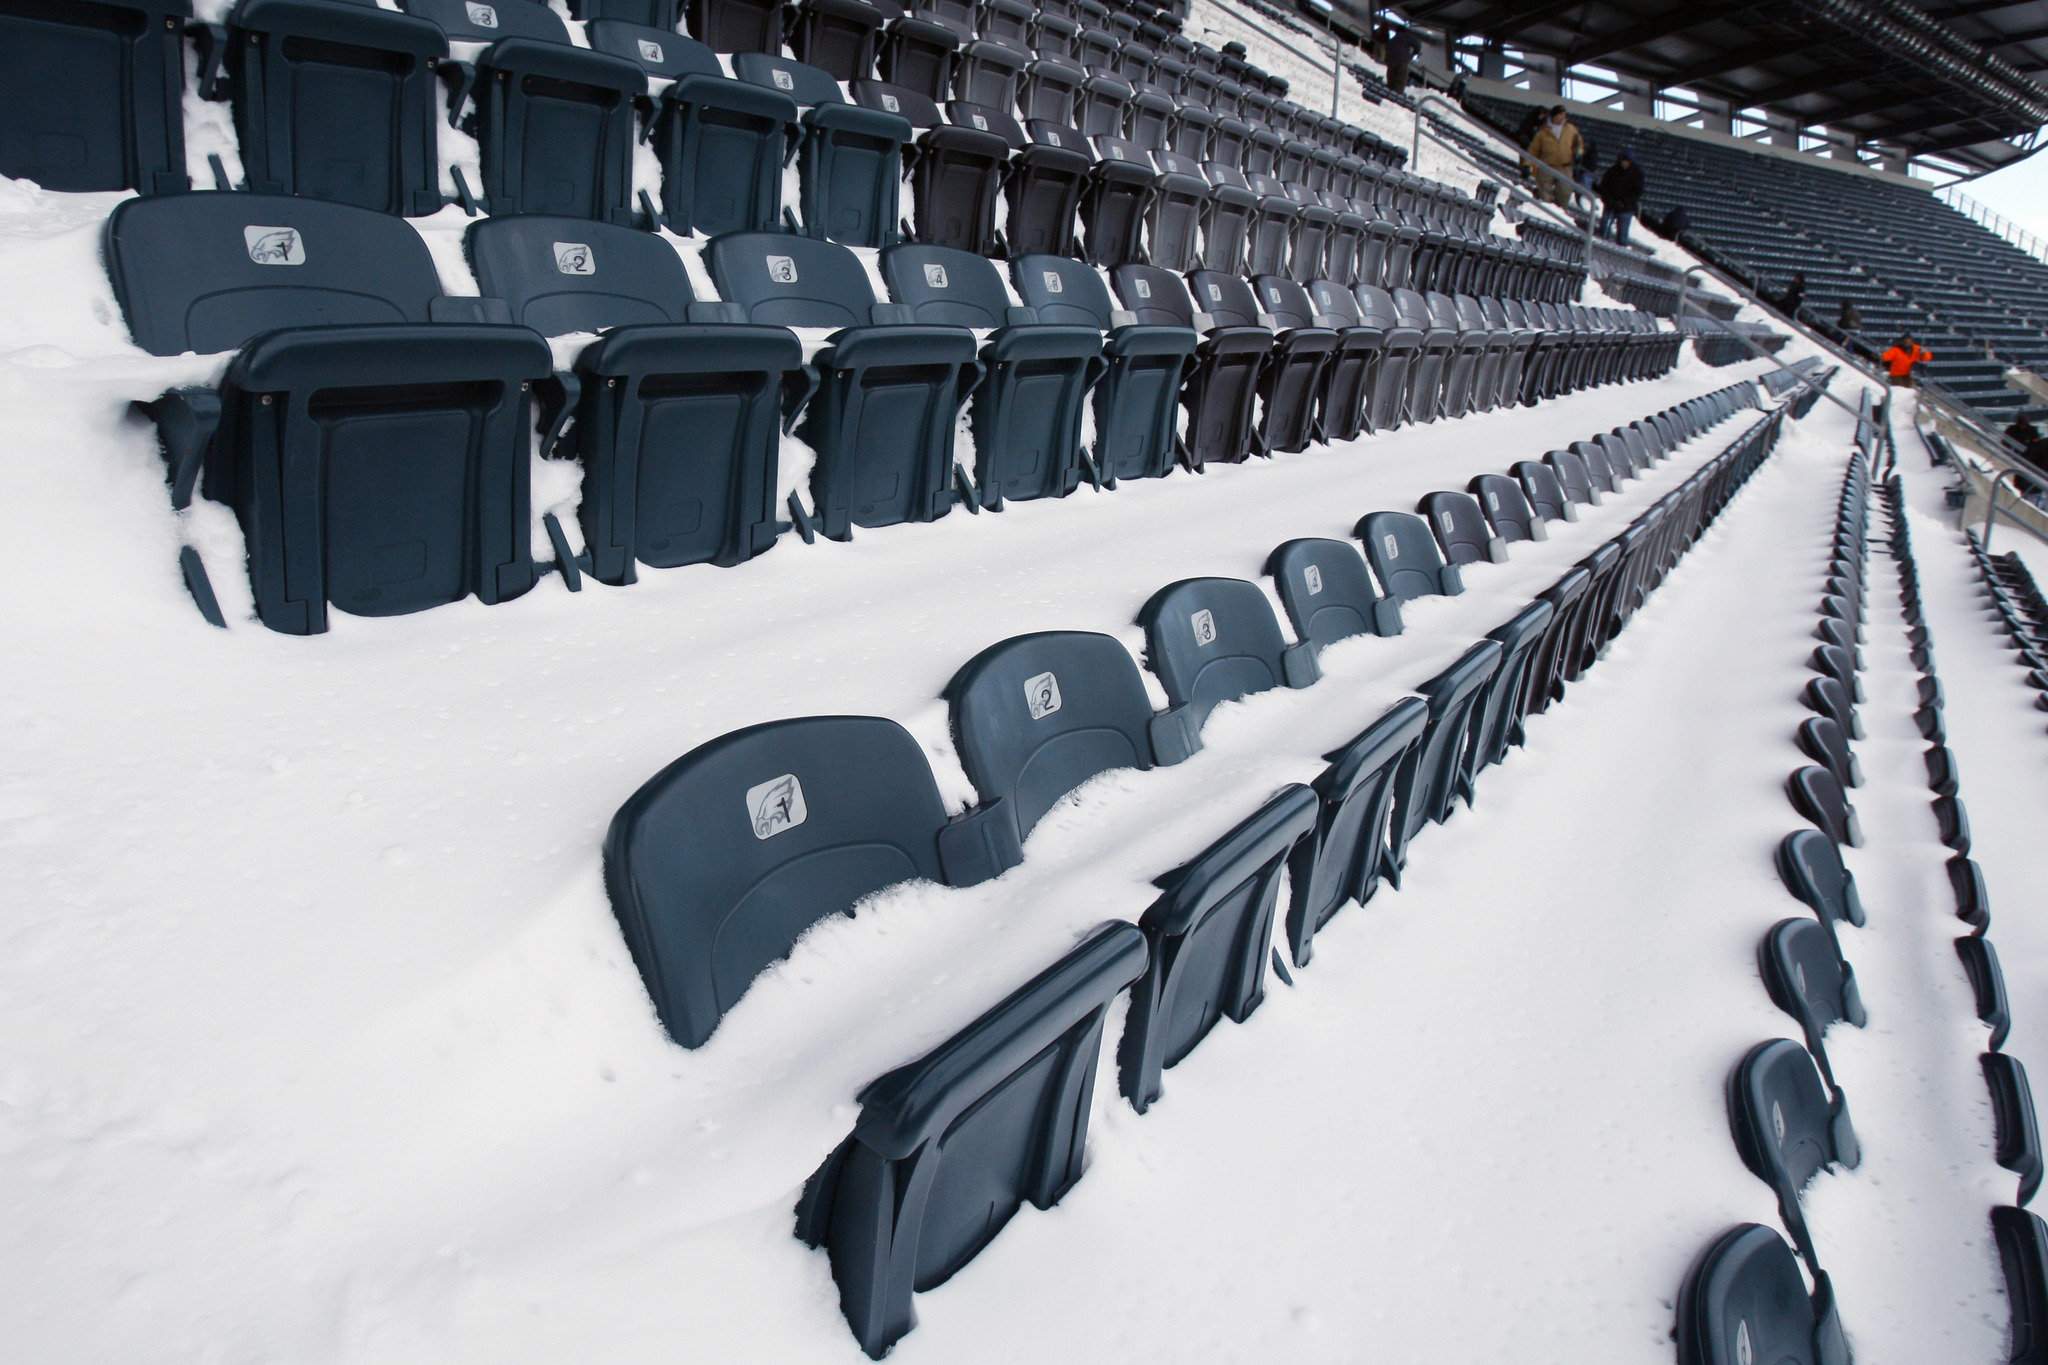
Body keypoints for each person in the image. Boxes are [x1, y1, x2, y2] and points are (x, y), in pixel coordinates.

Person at [1526, 105, 1582, 207]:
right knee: (1543, 192)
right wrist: (1526, 164)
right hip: (1546, 166)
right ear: (1554, 116)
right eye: (1561, 114)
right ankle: (1544, 212)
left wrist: (1578, 153)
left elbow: (1578, 144)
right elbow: (1533, 150)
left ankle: (1560, 212)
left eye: (1564, 115)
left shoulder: (1571, 129)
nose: (1563, 117)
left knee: (1565, 192)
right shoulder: (1543, 131)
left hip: (1565, 166)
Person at [1596, 151, 1643, 244]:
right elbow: (1604, 187)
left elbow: (1638, 191)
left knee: (1622, 233)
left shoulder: (1637, 174)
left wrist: (1624, 202)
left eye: (1627, 161)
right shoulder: (1612, 171)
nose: (1625, 163)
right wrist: (1609, 201)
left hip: (1626, 208)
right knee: (1605, 226)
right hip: (1611, 205)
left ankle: (1621, 247)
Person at [1385, 26, 1420, 95]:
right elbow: (1417, 44)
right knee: (1400, 79)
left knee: (1391, 80)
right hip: (1402, 61)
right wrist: (1415, 52)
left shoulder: (1392, 40)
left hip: (1391, 62)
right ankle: (1397, 96)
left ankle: (1389, 94)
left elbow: (1387, 50)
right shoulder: (1406, 36)